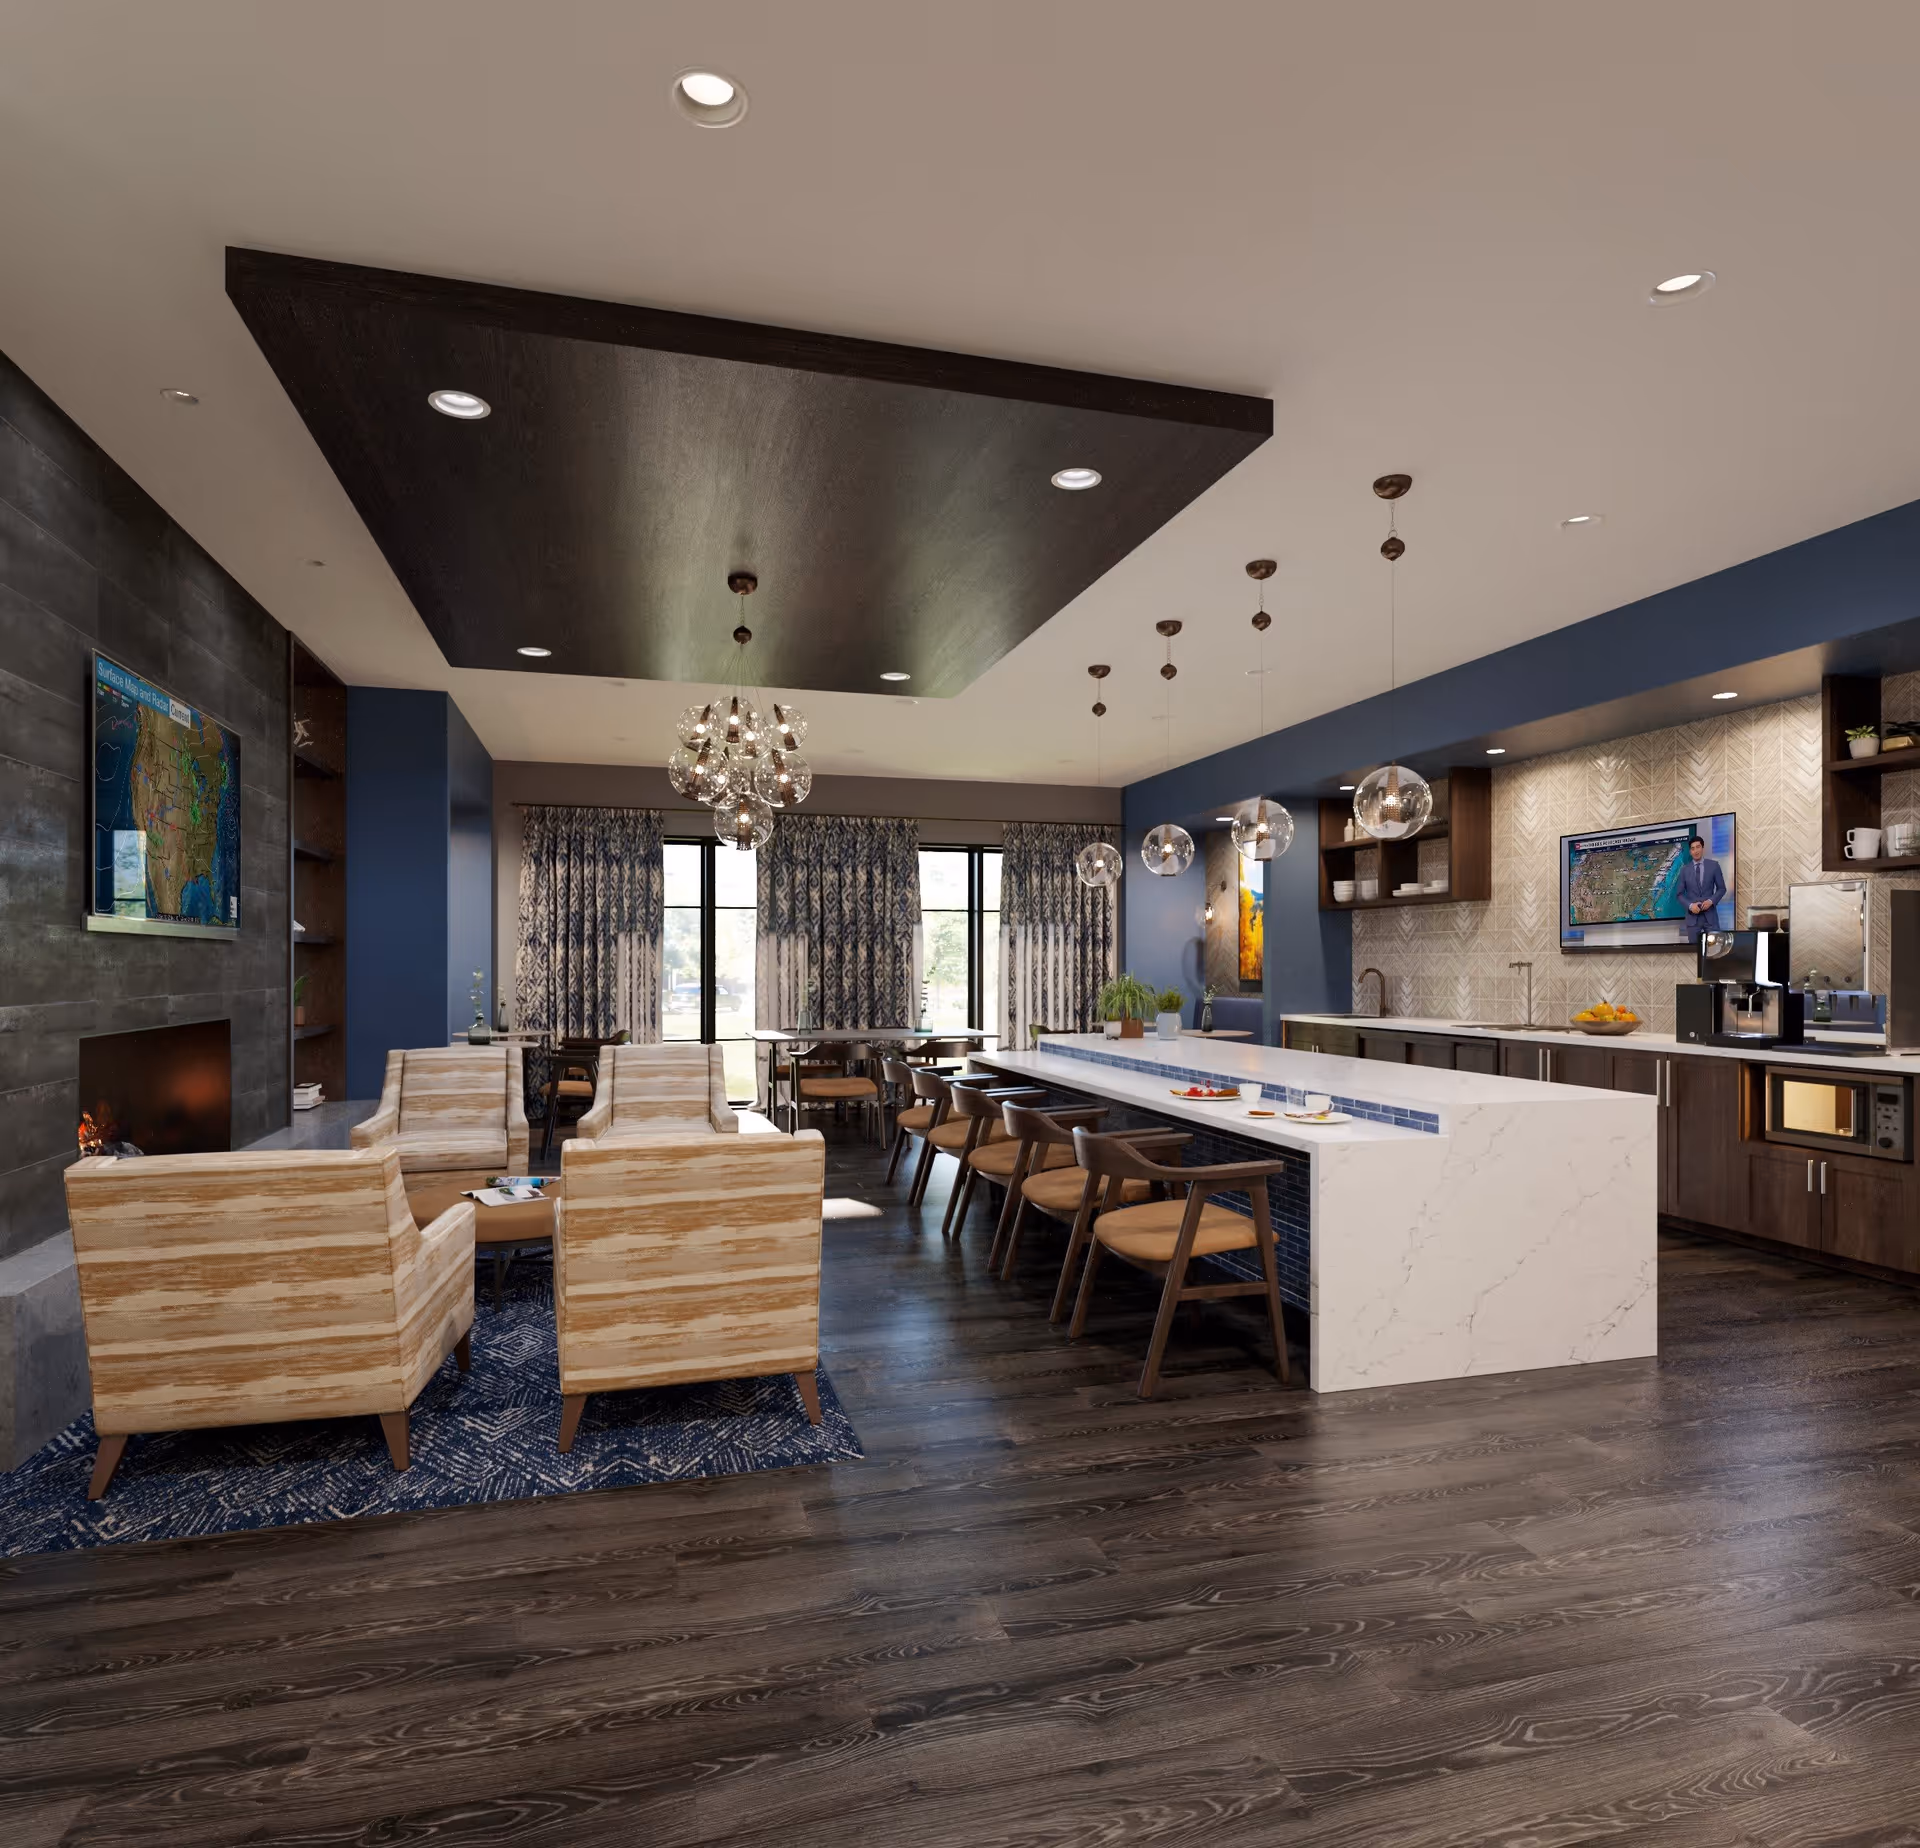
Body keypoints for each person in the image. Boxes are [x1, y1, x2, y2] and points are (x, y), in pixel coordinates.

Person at [1675, 835, 1726, 943]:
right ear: (1690, 851)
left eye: (1698, 847)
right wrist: (1690, 906)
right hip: (1693, 920)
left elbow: (1722, 889)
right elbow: (1679, 894)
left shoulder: (1714, 866)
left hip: (1710, 918)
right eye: (1693, 849)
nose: (1696, 851)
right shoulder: (1684, 870)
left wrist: (1711, 901)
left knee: (1715, 951)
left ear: (1702, 848)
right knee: (1693, 954)